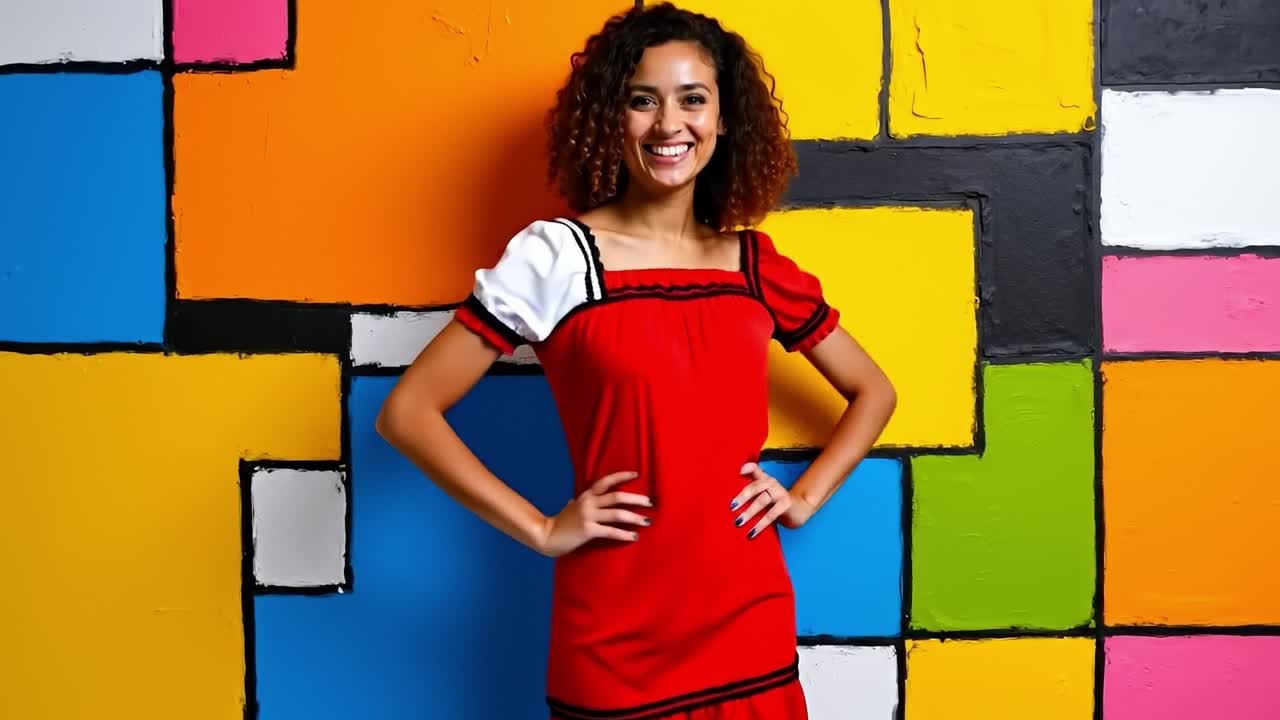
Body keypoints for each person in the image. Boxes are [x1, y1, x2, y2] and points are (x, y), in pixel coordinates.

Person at [376, 3, 897, 718]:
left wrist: (801, 498)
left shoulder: (754, 265)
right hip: (613, 642)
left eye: (693, 99)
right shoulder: (557, 258)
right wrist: (541, 528)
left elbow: (874, 391)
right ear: (609, 117)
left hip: (751, 627)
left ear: (724, 119)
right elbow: (407, 413)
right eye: (642, 100)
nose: (668, 124)